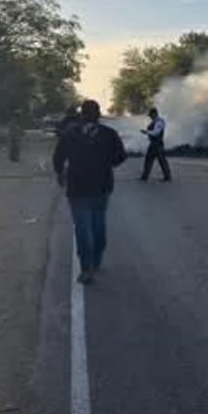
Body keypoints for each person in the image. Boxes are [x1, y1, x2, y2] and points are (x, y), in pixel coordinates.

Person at [53, 100, 127, 284]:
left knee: (83, 228)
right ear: (99, 114)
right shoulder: (109, 134)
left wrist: (61, 174)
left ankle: (87, 270)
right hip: (102, 187)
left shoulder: (70, 134)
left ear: (81, 115)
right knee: (98, 225)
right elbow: (120, 157)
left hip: (77, 189)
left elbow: (58, 158)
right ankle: (96, 261)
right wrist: (104, 164)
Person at [140, 107, 171, 182]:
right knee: (148, 159)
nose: (150, 117)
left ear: (154, 114)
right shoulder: (154, 122)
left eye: (151, 115)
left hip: (158, 144)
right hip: (153, 144)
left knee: (162, 160)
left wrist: (146, 132)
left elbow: (156, 132)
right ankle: (144, 176)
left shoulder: (160, 122)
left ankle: (167, 177)